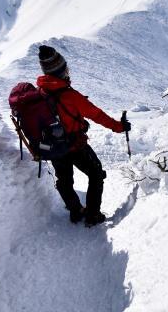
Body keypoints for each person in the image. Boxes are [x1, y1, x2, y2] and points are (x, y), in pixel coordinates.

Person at [36, 45, 130, 226]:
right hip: (75, 145)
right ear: (60, 70)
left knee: (64, 181)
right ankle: (93, 215)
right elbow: (97, 114)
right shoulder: (70, 95)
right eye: (65, 67)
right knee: (95, 174)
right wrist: (119, 127)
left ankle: (76, 211)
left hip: (54, 148)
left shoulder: (40, 92)